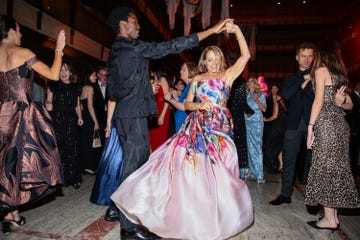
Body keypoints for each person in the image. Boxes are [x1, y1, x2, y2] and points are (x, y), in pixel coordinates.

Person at [111, 21, 253, 240]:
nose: (213, 63)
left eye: (217, 59)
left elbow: (245, 57)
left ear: (221, 61)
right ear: (204, 61)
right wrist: (198, 105)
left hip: (219, 129)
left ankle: (219, 216)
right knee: (195, 173)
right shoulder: (196, 80)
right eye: (209, 59)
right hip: (197, 127)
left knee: (222, 172)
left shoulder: (228, 76)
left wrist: (238, 32)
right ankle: (190, 215)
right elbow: (187, 104)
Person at [0, 14, 64, 234]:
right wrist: (59, 49)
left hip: (2, 114)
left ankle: (11, 214)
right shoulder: (23, 53)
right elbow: (54, 75)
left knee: (6, 166)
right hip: (22, 114)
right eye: (18, 30)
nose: (21, 34)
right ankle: (10, 213)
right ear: (9, 30)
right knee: (26, 164)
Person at [305, 40, 360, 231]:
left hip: (327, 125)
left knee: (327, 170)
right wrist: (339, 102)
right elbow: (350, 105)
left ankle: (329, 219)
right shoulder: (341, 75)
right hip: (342, 128)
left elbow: (318, 101)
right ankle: (333, 217)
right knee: (336, 170)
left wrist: (311, 127)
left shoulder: (321, 71)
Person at [269, 42, 315, 207]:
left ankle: (312, 199)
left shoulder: (318, 77)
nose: (306, 59)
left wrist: (309, 79)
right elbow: (287, 94)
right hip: (293, 123)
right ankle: (285, 194)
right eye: (303, 56)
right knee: (289, 159)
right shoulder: (290, 79)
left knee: (312, 162)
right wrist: (303, 79)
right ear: (297, 57)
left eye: (310, 56)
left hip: (312, 122)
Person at [46, 61, 83, 189]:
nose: (63, 73)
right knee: (59, 148)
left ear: (71, 72)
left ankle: (74, 177)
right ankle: (60, 178)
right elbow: (49, 101)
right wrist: (48, 105)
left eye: (66, 70)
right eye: (61, 70)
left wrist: (80, 117)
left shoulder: (76, 87)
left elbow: (77, 105)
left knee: (72, 148)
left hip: (71, 119)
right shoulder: (53, 85)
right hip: (57, 119)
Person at [90, 100, 123, 206]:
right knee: (115, 158)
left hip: (130, 120)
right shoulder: (117, 83)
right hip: (118, 122)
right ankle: (108, 194)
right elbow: (111, 101)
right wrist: (108, 125)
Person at [243, 76, 267, 183]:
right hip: (247, 123)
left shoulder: (261, 94)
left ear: (255, 83)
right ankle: (251, 171)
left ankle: (259, 174)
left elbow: (264, 109)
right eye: (248, 82)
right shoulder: (246, 95)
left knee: (257, 147)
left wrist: (256, 101)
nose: (250, 83)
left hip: (257, 124)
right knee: (249, 148)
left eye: (252, 82)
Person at [227, 77, 254, 170]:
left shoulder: (228, 83)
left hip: (228, 117)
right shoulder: (240, 85)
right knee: (239, 142)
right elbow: (242, 103)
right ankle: (238, 167)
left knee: (230, 141)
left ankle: (229, 166)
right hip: (237, 118)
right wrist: (251, 112)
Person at [79, 69, 102, 175]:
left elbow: (81, 106)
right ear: (88, 76)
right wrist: (96, 122)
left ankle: (85, 166)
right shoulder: (90, 88)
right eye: (94, 75)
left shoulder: (82, 88)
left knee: (86, 141)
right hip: (90, 118)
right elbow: (90, 107)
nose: (96, 77)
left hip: (84, 117)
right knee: (92, 143)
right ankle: (89, 167)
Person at [165, 61, 199, 132]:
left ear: (191, 71)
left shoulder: (193, 85)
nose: (180, 71)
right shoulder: (188, 87)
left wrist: (170, 99)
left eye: (183, 70)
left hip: (186, 128)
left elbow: (185, 107)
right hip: (182, 126)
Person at [263, 84, 287, 173]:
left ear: (278, 89)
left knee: (270, 147)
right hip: (281, 127)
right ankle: (280, 165)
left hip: (275, 126)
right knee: (278, 147)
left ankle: (273, 166)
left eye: (275, 88)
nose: (274, 90)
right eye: (272, 88)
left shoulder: (278, 101)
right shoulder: (272, 100)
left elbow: (275, 116)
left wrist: (265, 120)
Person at [148, 70, 170, 151]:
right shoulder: (151, 81)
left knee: (160, 141)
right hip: (153, 113)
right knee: (152, 140)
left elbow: (167, 100)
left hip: (162, 112)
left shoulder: (162, 79)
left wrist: (162, 116)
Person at [92, 66, 108, 145]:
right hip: (97, 116)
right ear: (98, 75)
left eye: (106, 75)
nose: (105, 77)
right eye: (103, 75)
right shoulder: (93, 86)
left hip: (108, 116)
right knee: (98, 140)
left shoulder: (110, 86)